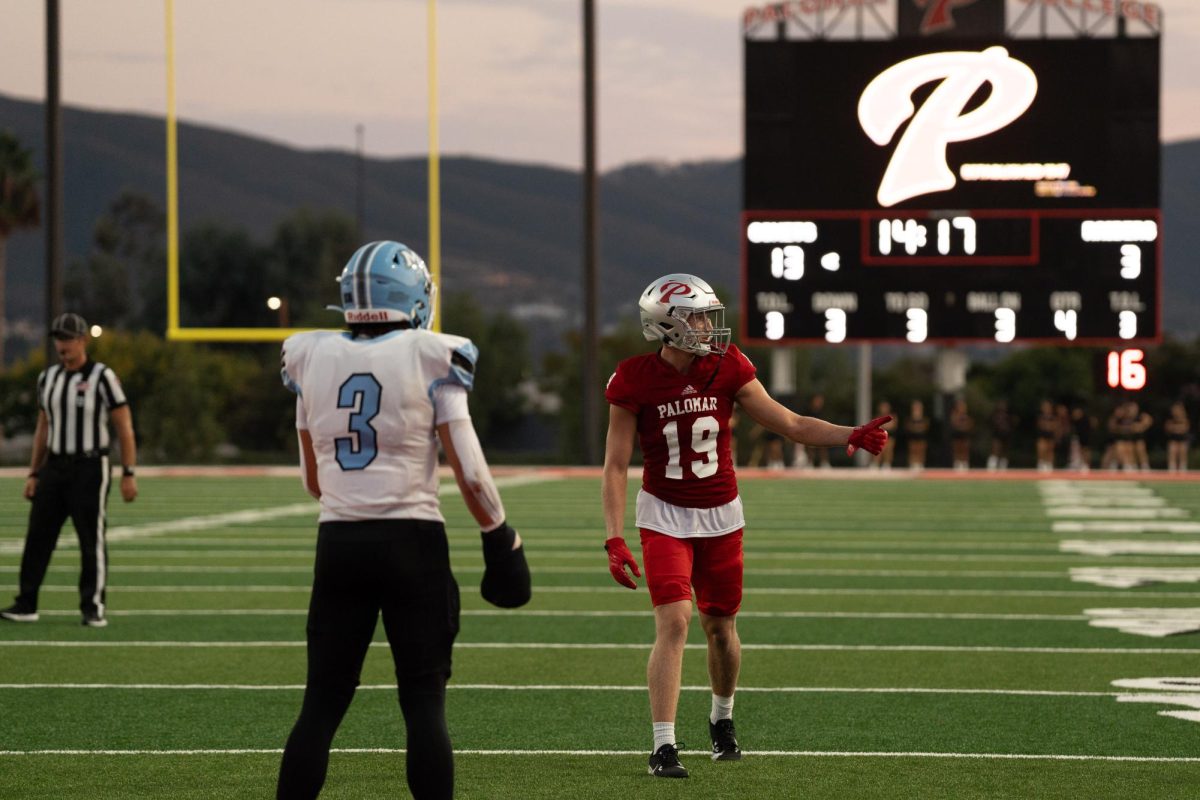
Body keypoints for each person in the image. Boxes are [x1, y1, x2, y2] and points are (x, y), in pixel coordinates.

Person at [600, 273, 888, 779]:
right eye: (696, 316)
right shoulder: (634, 378)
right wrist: (614, 536)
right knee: (674, 622)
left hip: (721, 515)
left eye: (708, 314)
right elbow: (616, 465)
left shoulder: (727, 366)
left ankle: (721, 718)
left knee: (720, 629)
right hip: (664, 513)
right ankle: (663, 745)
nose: (708, 324)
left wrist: (850, 433)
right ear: (668, 325)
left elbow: (791, 423)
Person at [276, 241, 531, 800]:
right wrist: (499, 536)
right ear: (412, 297)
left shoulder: (307, 355)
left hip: (338, 540)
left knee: (320, 704)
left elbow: (313, 480)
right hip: (412, 541)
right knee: (422, 705)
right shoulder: (431, 353)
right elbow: (470, 468)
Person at [0, 313, 137, 628]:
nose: (62, 345)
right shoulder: (47, 378)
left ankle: (92, 606)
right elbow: (43, 428)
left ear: (82, 340)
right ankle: (26, 602)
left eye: (67, 338)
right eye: (58, 339)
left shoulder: (102, 376)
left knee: (90, 538)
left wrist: (129, 471)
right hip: (55, 465)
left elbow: (124, 427)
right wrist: (33, 473)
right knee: (37, 535)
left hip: (91, 465)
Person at [987, 400, 1015, 471]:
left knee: (1005, 451)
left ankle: (1003, 468)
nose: (1002, 406)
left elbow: (1013, 424)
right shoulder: (995, 414)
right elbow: (991, 424)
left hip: (1006, 435)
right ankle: (991, 468)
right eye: (1001, 404)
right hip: (997, 435)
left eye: (1004, 405)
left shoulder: (1009, 415)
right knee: (995, 450)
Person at [869, 401, 898, 469]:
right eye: (883, 407)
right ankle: (875, 464)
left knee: (888, 450)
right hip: (879, 436)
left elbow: (893, 426)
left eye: (885, 407)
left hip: (889, 436)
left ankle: (887, 464)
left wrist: (883, 426)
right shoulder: (877, 416)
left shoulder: (892, 416)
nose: (884, 408)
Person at [904, 399, 930, 470]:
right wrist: (916, 427)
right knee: (912, 450)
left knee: (921, 450)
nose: (917, 408)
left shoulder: (924, 417)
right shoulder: (910, 417)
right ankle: (912, 464)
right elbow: (908, 426)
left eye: (918, 407)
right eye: (915, 407)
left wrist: (917, 427)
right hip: (912, 436)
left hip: (921, 436)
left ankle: (920, 464)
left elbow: (926, 426)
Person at [1165, 402, 1191, 472]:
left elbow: (1185, 428)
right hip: (1173, 439)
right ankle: (1172, 468)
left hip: (1183, 439)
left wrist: (1175, 428)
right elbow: (1168, 427)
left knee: (1182, 449)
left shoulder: (1185, 418)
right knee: (1173, 449)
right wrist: (1178, 428)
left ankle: (1183, 468)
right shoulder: (1170, 419)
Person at [949, 398, 974, 471]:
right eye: (960, 406)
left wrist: (963, 426)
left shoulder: (967, 416)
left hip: (965, 436)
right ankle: (957, 465)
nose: (962, 408)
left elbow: (970, 425)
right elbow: (954, 424)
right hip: (957, 435)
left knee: (965, 450)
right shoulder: (954, 415)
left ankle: (965, 465)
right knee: (957, 450)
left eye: (963, 406)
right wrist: (962, 426)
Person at [1035, 399, 1058, 472]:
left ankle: (1049, 465)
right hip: (1042, 435)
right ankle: (1041, 464)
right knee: (1041, 449)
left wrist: (1050, 426)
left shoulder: (1053, 417)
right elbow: (1040, 425)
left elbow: (1055, 426)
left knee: (1050, 450)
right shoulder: (1040, 416)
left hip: (1051, 436)